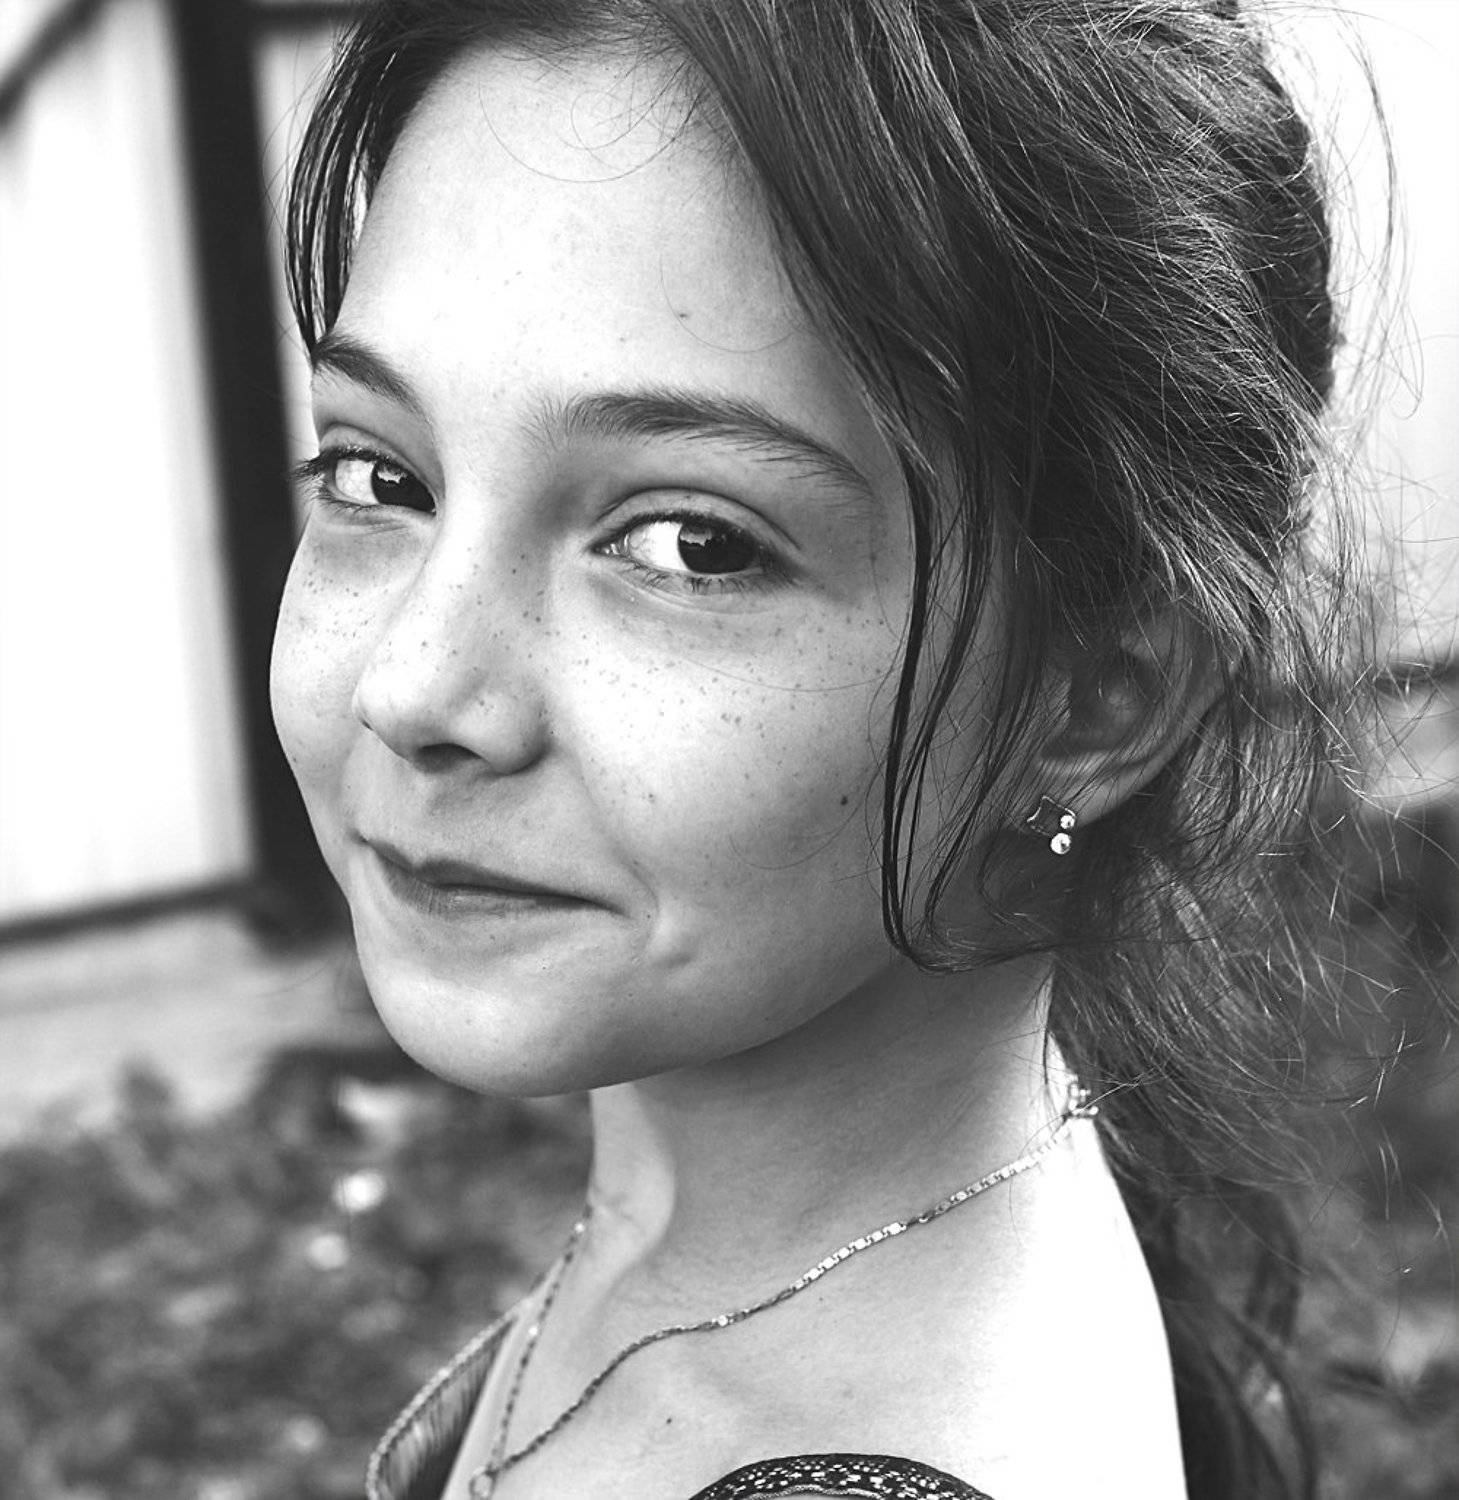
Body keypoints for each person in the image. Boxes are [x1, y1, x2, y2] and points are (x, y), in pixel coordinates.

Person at [271, 2, 1358, 1496]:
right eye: (379, 476)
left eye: (691, 542)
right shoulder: (768, 1238)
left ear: (1097, 700)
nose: (413, 686)